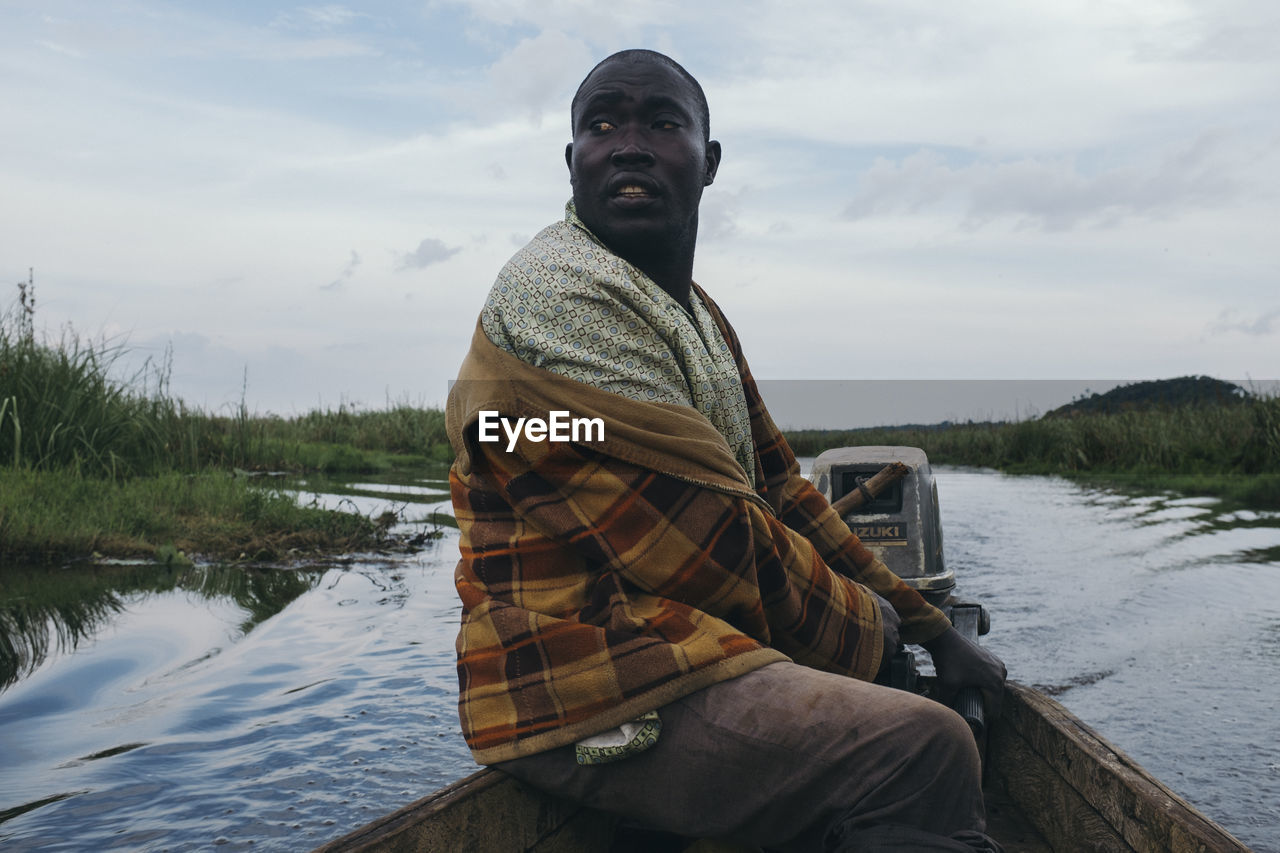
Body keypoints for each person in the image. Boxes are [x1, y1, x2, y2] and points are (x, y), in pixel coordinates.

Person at [445, 48, 1007, 852]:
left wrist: (932, 629)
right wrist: (879, 637)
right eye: (602, 125)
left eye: (661, 123)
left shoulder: (694, 315)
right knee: (924, 747)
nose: (629, 143)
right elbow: (706, 548)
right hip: (582, 678)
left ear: (707, 162)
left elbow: (782, 491)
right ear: (572, 163)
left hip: (676, 645)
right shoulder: (560, 298)